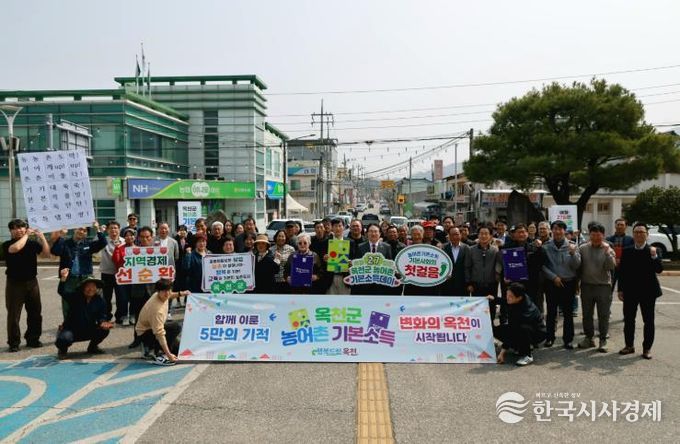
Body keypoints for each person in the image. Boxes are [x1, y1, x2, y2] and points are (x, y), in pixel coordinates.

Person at [3, 219, 50, 352]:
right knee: (14, 314)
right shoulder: (8, 244)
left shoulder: (32, 244)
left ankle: (33, 339)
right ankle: (14, 342)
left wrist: (42, 237)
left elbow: (46, 255)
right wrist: (27, 235)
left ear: (25, 228)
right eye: (15, 228)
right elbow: (16, 249)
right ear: (11, 231)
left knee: (35, 312)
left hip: (32, 282)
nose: (19, 230)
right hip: (15, 283)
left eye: (21, 227)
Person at [618, 223, 663, 359]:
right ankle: (629, 345)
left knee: (648, 321)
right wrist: (620, 289)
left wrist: (654, 256)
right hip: (630, 291)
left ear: (647, 235)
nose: (639, 234)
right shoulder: (627, 250)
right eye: (636, 232)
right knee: (629, 320)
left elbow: (659, 269)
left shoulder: (654, 250)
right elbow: (622, 272)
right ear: (633, 235)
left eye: (642, 232)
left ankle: (647, 348)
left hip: (648, 292)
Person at [51, 221, 107, 318]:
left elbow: (103, 243)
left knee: (89, 303)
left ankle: (89, 323)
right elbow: (55, 251)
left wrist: (97, 229)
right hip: (69, 279)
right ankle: (68, 324)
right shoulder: (65, 243)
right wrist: (61, 235)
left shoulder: (89, 244)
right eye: (80, 229)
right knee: (68, 304)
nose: (82, 232)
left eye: (85, 231)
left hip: (86, 278)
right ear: (74, 229)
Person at [56, 269, 114, 359]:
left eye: (93, 286)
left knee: (104, 331)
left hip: (88, 329)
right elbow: (62, 291)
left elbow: (102, 316)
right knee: (64, 339)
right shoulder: (75, 297)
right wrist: (63, 279)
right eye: (88, 286)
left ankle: (92, 347)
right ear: (83, 288)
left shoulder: (100, 301)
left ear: (96, 288)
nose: (91, 289)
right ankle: (62, 350)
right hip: (72, 330)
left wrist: (103, 323)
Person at [542, 220, 581, 349]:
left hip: (568, 283)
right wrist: (553, 277)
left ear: (564, 231)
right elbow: (542, 265)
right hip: (552, 283)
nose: (557, 231)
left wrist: (573, 253)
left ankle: (568, 339)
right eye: (555, 229)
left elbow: (577, 265)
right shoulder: (546, 246)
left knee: (568, 313)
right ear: (551, 231)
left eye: (560, 229)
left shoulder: (572, 245)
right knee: (551, 312)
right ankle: (549, 337)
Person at [578, 223, 617, 352]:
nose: (595, 238)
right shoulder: (583, 248)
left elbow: (611, 266)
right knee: (587, 314)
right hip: (586, 285)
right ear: (589, 235)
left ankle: (603, 339)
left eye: (598, 235)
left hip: (603, 286)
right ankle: (589, 338)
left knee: (603, 315)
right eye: (593, 235)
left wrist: (607, 253)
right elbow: (578, 267)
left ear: (603, 235)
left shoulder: (608, 248)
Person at [136, 279, 190, 366]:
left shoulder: (160, 295)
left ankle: (158, 348)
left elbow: (170, 295)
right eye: (164, 291)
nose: (167, 293)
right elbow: (159, 333)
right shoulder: (156, 310)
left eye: (169, 290)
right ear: (158, 291)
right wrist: (169, 355)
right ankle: (156, 352)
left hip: (153, 328)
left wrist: (181, 293)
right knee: (176, 327)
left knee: (179, 351)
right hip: (146, 333)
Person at [495, 282, 547, 366]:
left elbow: (512, 330)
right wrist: (493, 299)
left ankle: (527, 355)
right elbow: (506, 301)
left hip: (537, 333)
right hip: (521, 328)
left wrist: (502, 353)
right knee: (496, 330)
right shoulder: (519, 297)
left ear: (519, 298)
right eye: (507, 294)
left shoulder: (525, 311)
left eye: (510, 296)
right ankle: (518, 346)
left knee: (522, 329)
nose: (507, 297)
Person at [465, 227, 503, 321]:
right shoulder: (471, 250)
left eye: (486, 234)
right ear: (478, 235)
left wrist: (497, 275)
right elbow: (467, 267)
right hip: (476, 285)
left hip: (491, 284)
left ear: (490, 236)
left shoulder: (495, 250)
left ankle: (491, 328)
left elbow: (499, 264)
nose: (483, 236)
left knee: (491, 308)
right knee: (477, 310)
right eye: (481, 233)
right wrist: (469, 283)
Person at [351, 224, 393, 295]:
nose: (373, 234)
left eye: (375, 231)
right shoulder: (360, 247)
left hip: (381, 285)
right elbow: (356, 265)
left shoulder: (387, 247)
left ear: (380, 233)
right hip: (364, 285)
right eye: (371, 231)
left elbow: (390, 264)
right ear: (367, 233)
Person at [100, 221, 126, 324]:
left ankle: (120, 316)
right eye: (111, 228)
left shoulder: (124, 241)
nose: (113, 230)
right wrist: (99, 231)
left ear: (119, 230)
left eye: (115, 228)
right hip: (107, 273)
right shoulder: (103, 241)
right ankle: (107, 316)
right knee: (106, 297)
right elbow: (95, 241)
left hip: (121, 274)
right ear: (107, 230)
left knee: (121, 296)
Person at [112, 228, 137, 325]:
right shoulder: (120, 248)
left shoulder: (139, 249)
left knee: (134, 297)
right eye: (127, 235)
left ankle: (133, 315)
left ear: (134, 237)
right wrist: (117, 249)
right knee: (123, 298)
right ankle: (124, 316)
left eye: (131, 235)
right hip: (123, 277)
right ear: (124, 238)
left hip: (135, 278)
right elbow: (116, 261)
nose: (129, 237)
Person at [607, 218, 635, 293]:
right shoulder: (608, 239)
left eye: (622, 225)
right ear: (615, 226)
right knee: (608, 290)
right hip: (611, 268)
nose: (619, 226)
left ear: (626, 226)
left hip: (625, 268)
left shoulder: (631, 240)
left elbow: (633, 254)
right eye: (618, 224)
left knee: (625, 291)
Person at [441, 227, 470, 296]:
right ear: (449, 236)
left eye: (456, 234)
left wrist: (469, 283)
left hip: (463, 285)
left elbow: (468, 267)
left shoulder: (466, 248)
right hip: (446, 284)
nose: (454, 237)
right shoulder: (443, 248)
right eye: (452, 235)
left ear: (460, 235)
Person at [325, 218, 351, 295]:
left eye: (340, 226)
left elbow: (354, 258)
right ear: (332, 228)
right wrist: (325, 259)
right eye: (335, 226)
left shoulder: (350, 242)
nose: (338, 228)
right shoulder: (326, 242)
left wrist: (351, 262)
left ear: (344, 227)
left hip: (345, 277)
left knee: (345, 300)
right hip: (330, 278)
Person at [270, 230, 295, 294]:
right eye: (279, 236)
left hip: (286, 280)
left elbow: (294, 265)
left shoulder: (291, 249)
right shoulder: (270, 249)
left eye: (283, 236)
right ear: (276, 237)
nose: (281, 238)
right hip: (274, 280)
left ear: (286, 238)